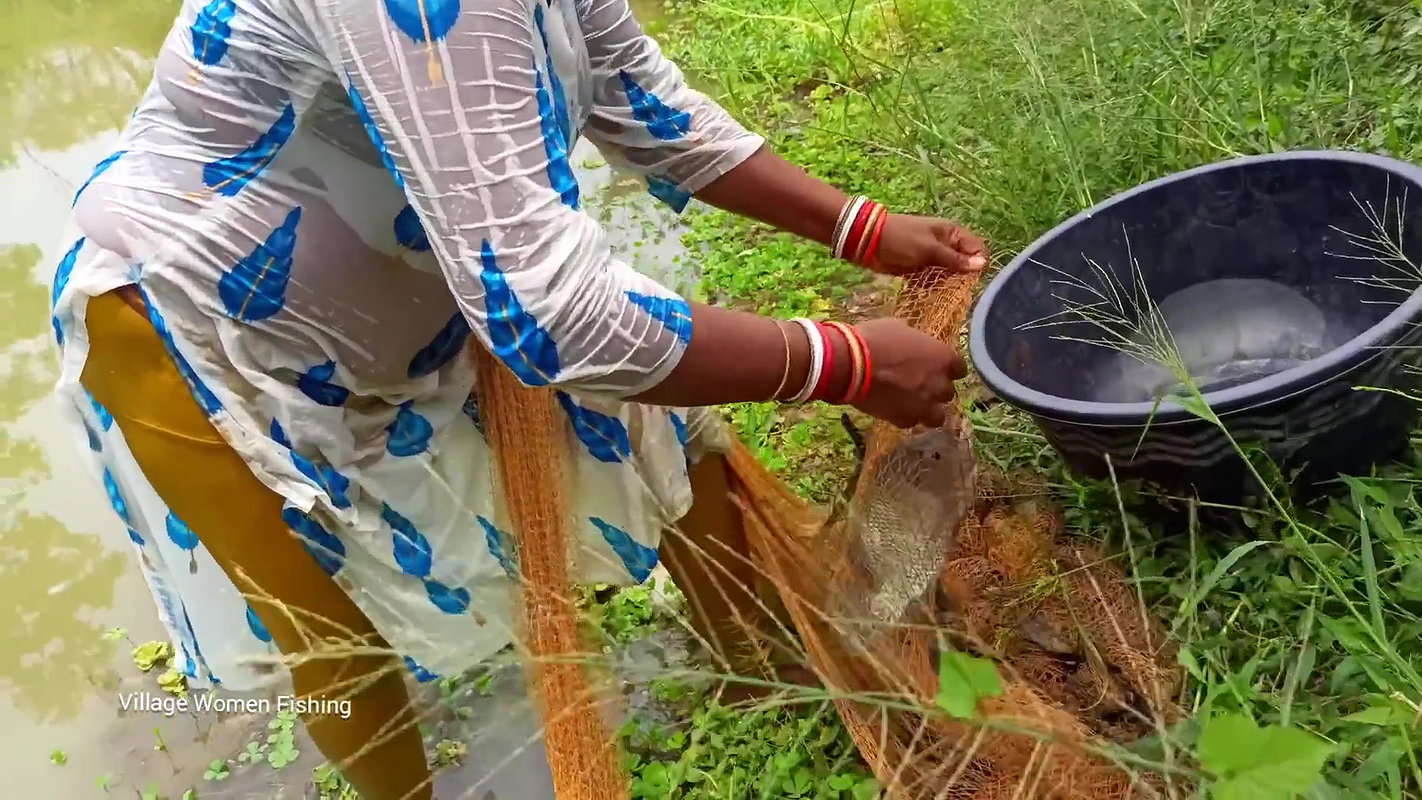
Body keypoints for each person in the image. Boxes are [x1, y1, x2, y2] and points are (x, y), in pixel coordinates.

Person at [51, 0, 987, 797]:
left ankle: (759, 682)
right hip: (212, 325)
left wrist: (858, 227)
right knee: (339, 641)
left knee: (672, 431)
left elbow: (636, 91)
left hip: (433, 270)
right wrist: (844, 365)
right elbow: (554, 317)